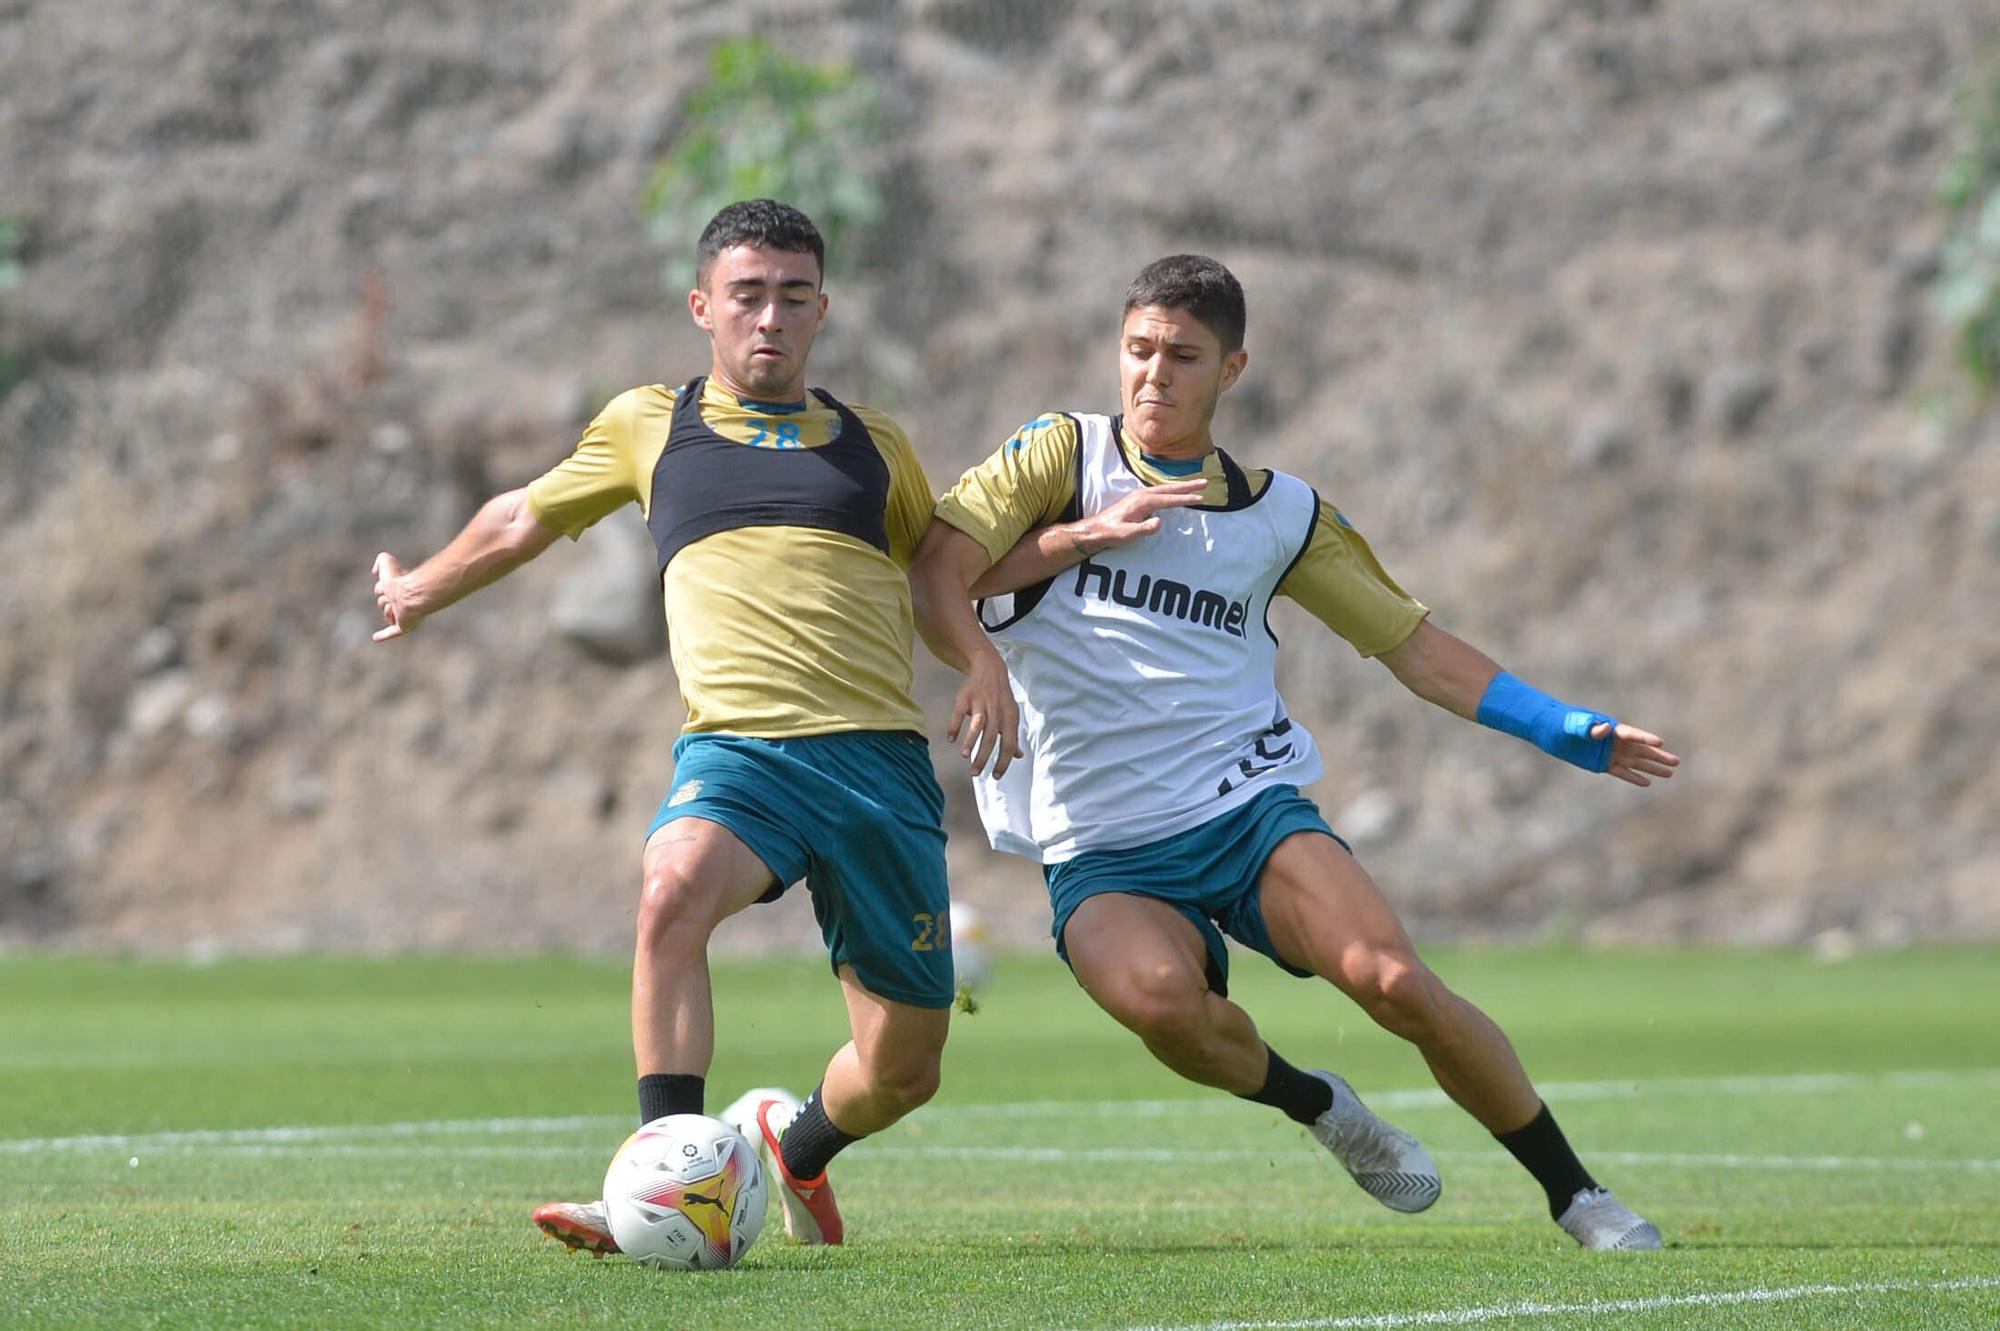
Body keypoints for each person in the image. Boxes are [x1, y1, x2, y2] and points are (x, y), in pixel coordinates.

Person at [909, 254, 1679, 1250]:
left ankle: (1576, 1193)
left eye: (1182, 356)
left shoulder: (1282, 514)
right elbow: (939, 570)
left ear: (1231, 367)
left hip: (1243, 807)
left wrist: (1561, 726)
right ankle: (1317, 1102)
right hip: (1098, 841)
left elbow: (1415, 647)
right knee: (1160, 1003)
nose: (1153, 374)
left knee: (1395, 981)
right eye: (1137, 349)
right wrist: (996, 636)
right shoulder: (1061, 455)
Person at [370, 199, 955, 1253]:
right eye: (746, 295)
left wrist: (1000, 653)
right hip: (738, 752)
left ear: (823, 308)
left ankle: (798, 1140)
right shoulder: (652, 423)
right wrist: (418, 588)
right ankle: (658, 1177)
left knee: (904, 1064)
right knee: (669, 888)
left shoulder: (878, 449)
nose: (768, 316)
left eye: (791, 295)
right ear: (702, 307)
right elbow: (521, 517)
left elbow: (947, 575)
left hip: (878, 766)